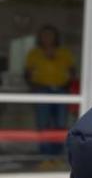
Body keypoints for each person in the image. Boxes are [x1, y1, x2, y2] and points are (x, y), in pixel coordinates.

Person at [24, 24, 76, 156]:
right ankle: (45, 154)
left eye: (50, 35)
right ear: (40, 37)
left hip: (61, 90)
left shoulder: (64, 52)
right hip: (42, 90)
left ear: (55, 37)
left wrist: (67, 85)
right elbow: (27, 74)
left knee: (60, 122)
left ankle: (57, 154)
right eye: (44, 35)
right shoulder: (34, 53)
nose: (47, 37)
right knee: (43, 123)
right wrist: (34, 87)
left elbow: (72, 71)